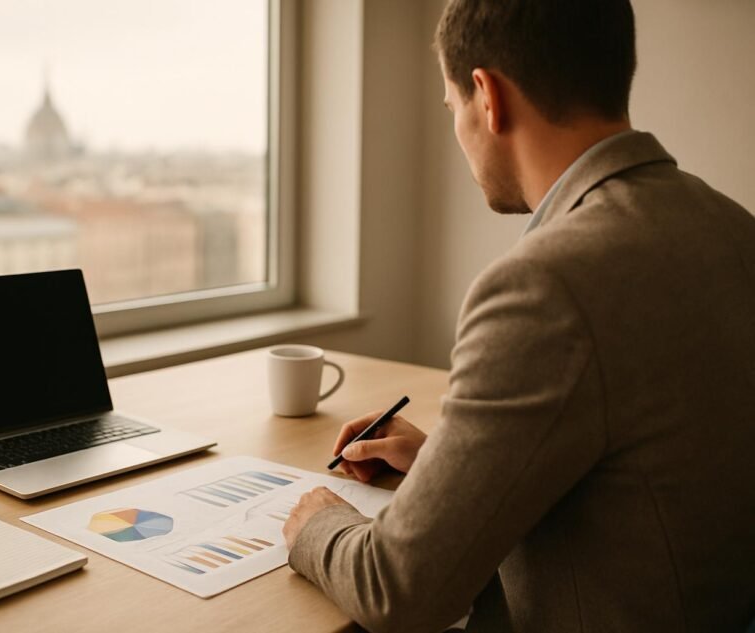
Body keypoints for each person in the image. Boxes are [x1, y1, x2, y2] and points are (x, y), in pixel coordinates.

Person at [281, 1, 755, 631]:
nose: (456, 129)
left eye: (452, 107)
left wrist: (317, 525)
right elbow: (648, 471)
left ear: (487, 95)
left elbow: (399, 589)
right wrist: (447, 473)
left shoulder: (542, 286)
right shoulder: (733, 228)